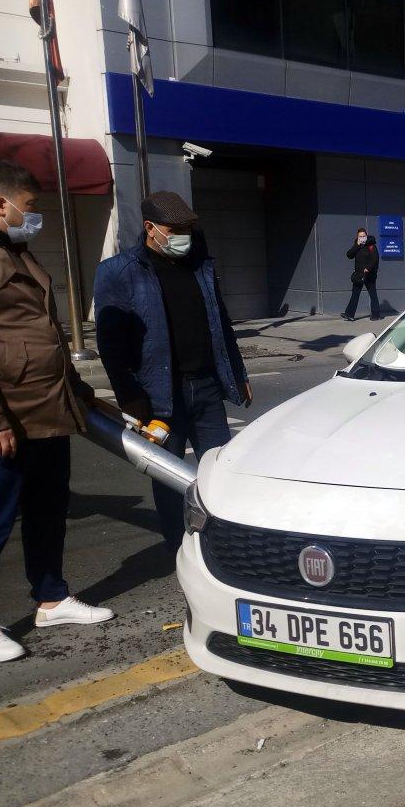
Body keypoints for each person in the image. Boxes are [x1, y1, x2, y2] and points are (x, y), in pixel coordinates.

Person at [0, 160, 111, 661]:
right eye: (29, 207)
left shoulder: (16, 253)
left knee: (48, 510)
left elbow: (45, 339)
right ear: (0, 204)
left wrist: (79, 391)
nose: (34, 216)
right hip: (10, 416)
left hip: (47, 408)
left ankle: (51, 598)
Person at [95, 191, 252, 553]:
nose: (184, 236)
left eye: (188, 229)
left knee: (220, 466)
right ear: (150, 228)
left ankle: (224, 540)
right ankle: (177, 545)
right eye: (175, 229)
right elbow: (111, 343)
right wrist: (130, 395)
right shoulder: (119, 271)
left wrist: (238, 373)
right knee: (168, 475)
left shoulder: (200, 266)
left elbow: (221, 324)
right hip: (160, 394)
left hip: (206, 387)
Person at [342, 227, 380, 321]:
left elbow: (375, 259)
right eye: (360, 236)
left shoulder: (371, 245)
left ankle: (376, 315)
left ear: (366, 236)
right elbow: (349, 255)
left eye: (363, 236)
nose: (362, 238)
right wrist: (357, 245)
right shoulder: (357, 245)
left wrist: (368, 268)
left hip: (369, 275)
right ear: (357, 237)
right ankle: (349, 314)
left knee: (372, 294)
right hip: (359, 275)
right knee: (355, 294)